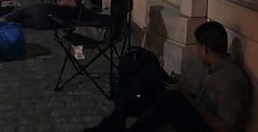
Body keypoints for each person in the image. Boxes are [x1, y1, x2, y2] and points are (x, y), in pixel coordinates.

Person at [84, 21, 251, 132]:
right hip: (196, 109)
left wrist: (187, 97)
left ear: (205, 49)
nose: (198, 52)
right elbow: (204, 97)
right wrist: (185, 88)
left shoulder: (230, 80)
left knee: (172, 99)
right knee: (152, 71)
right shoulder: (214, 67)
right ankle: (116, 120)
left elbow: (224, 126)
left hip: (204, 127)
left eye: (198, 48)